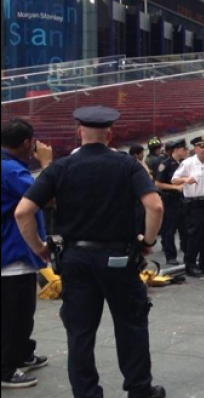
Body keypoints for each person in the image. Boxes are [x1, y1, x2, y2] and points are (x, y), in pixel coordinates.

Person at [14, 106, 165, 398]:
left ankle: (86, 393)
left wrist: (41, 249)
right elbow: (155, 205)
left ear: (79, 132)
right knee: (131, 325)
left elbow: (23, 212)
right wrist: (147, 240)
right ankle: (139, 389)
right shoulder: (128, 165)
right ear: (111, 134)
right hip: (119, 258)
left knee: (80, 334)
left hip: (76, 260)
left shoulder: (59, 167)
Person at [1, 119, 52, 390]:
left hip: (12, 254)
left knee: (22, 312)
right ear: (26, 143)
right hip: (12, 255)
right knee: (14, 315)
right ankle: (6, 368)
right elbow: (46, 195)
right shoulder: (10, 170)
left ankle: (22, 353)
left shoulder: (8, 166)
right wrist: (46, 163)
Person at [172, 136, 204, 277]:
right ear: (195, 148)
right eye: (201, 146)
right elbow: (174, 180)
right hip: (193, 204)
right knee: (194, 235)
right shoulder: (188, 163)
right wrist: (185, 179)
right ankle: (190, 265)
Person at [154, 139, 189, 266]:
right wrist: (175, 187)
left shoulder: (184, 164)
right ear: (176, 150)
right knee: (169, 230)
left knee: (185, 229)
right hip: (170, 200)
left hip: (183, 200)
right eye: (183, 149)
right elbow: (157, 184)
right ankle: (170, 256)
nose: (185, 151)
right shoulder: (166, 164)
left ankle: (187, 253)